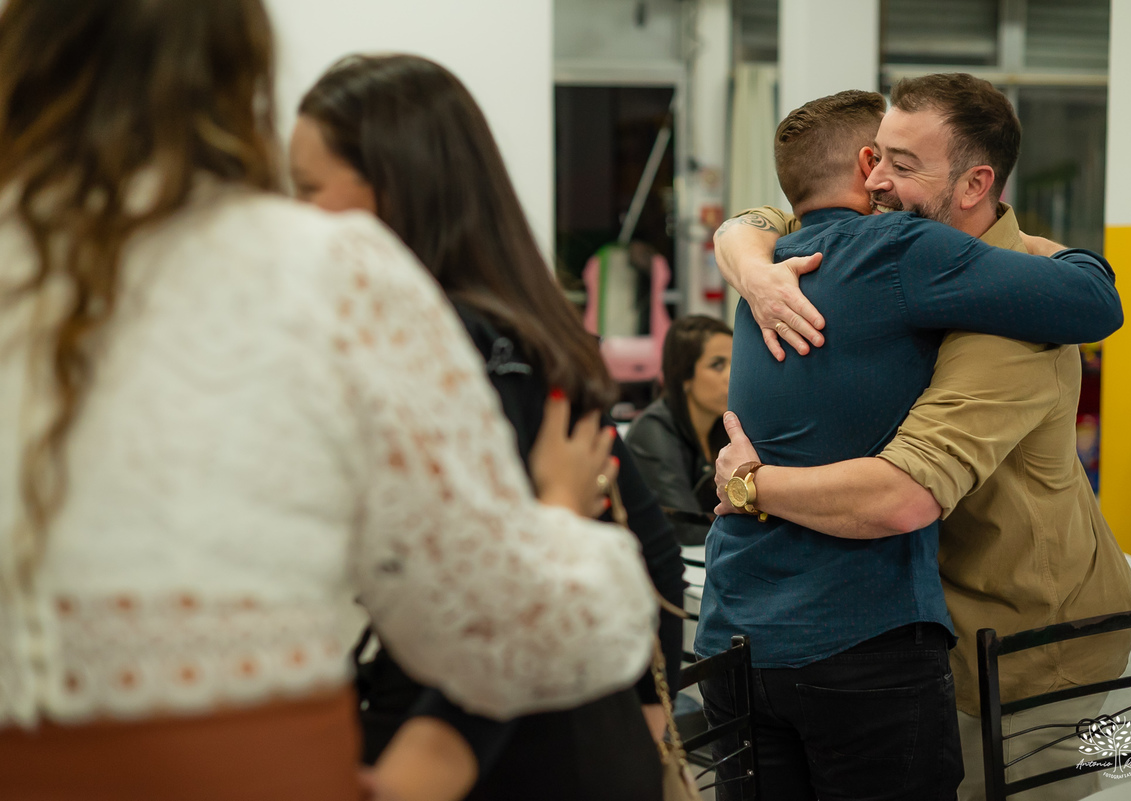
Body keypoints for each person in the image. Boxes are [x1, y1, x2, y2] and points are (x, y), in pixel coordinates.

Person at [0, 4, 659, 800]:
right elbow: (514, 615)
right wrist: (557, 516)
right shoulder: (340, 283)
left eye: (309, 185)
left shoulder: (458, 327)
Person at [711, 75, 1131, 801]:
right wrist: (749, 263)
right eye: (874, 157)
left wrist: (748, 483)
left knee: (1094, 780)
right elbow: (768, 216)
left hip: (1038, 655)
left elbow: (901, 495)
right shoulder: (900, 254)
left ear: (975, 184)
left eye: (902, 166)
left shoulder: (1014, 319)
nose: (873, 181)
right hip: (961, 629)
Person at [290, 54, 684, 801]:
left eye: (309, 188)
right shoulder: (525, 331)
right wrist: (643, 721)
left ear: (394, 189)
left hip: (493, 743)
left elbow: (510, 600)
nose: (295, 217)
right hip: (568, 728)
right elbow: (651, 550)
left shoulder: (453, 345)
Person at [625, 314, 733, 546]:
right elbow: (688, 528)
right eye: (718, 365)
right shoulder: (653, 431)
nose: (732, 376)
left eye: (736, 363)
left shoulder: (725, 427)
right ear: (684, 376)